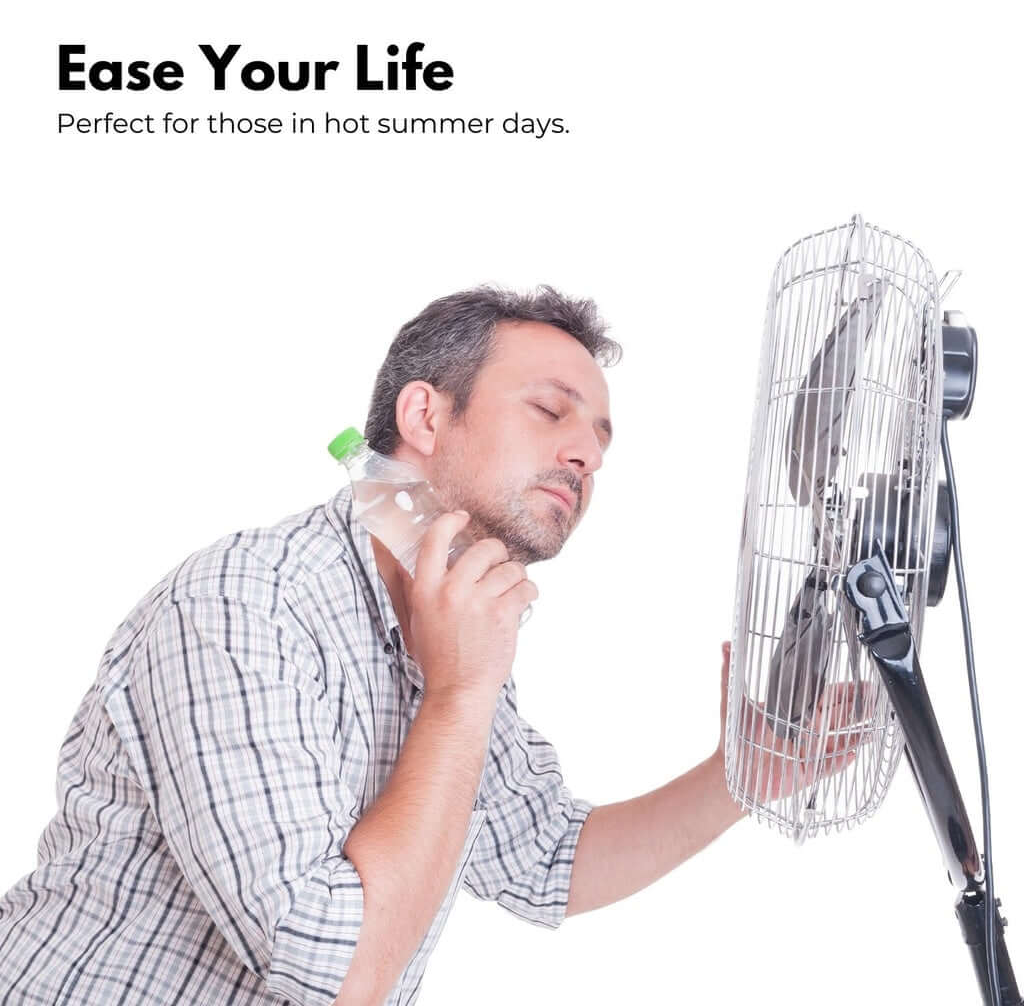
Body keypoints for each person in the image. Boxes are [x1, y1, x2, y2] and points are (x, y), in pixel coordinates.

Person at [0, 285, 822, 1006]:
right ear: (424, 415)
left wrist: (747, 773)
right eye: (550, 410)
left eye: (602, 439)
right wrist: (459, 694)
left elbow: (542, 857)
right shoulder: (247, 601)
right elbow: (334, 970)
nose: (589, 454)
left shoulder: (452, 621)